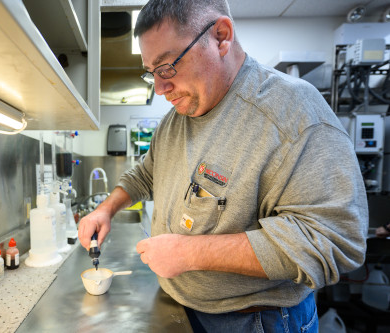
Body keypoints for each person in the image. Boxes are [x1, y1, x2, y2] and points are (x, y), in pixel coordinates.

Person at [78, 0, 368, 331]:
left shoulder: (293, 113)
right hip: (183, 307)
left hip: (256, 319)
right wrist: (106, 209)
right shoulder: (175, 121)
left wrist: (189, 254)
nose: (159, 89)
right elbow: (145, 174)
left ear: (221, 36)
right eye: (151, 73)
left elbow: (334, 239)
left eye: (167, 67)